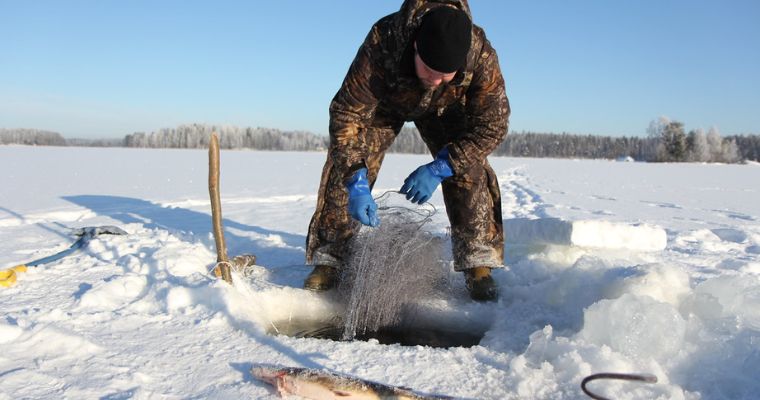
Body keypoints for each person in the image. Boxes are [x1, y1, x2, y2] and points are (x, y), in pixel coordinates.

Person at [304, 0, 509, 301]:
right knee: (346, 164)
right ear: (415, 45)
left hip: (446, 111)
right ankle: (329, 259)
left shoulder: (480, 53)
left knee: (468, 167)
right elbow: (347, 114)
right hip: (385, 105)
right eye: (429, 69)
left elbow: (493, 125)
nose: (435, 80)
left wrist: (442, 166)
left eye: (445, 74)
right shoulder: (383, 41)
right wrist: (356, 181)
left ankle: (477, 261)